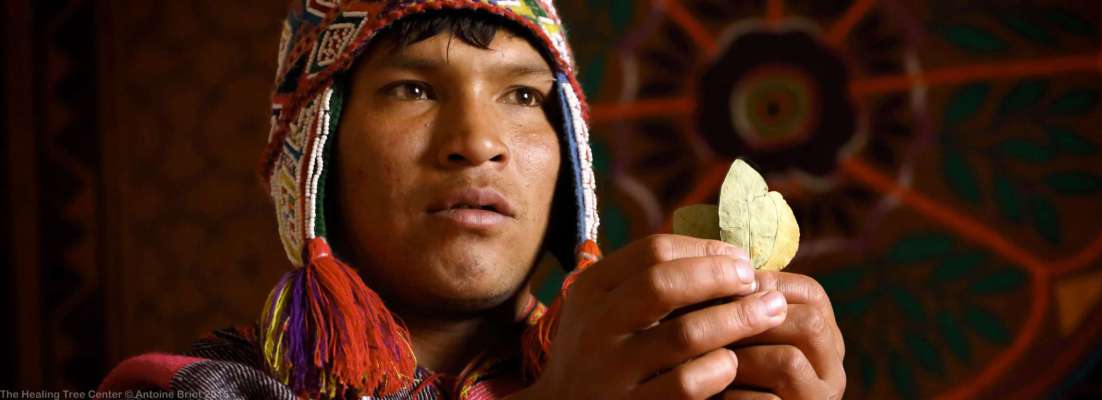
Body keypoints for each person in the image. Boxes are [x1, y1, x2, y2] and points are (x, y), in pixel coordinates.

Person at [99, 1, 846, 399]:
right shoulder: (197, 391)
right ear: (315, 161)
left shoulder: (670, 386)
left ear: (570, 168)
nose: (477, 140)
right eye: (414, 88)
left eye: (523, 95)